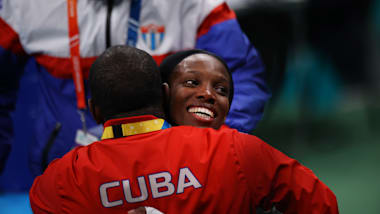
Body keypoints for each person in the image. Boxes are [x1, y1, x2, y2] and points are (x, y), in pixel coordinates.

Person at [29, 45, 338, 213]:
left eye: (222, 89)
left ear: (95, 111)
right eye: (192, 83)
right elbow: (320, 205)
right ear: (164, 95)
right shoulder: (238, 151)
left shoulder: (57, 184)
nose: (206, 94)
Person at [0, 0, 270, 177]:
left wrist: (211, 146)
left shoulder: (195, 4)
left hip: (171, 175)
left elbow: (241, 75)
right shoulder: (26, 5)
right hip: (70, 175)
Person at [159, 49, 233, 130]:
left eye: (220, 89)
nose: (208, 94)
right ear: (164, 93)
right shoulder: (144, 141)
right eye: (192, 83)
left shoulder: (240, 142)